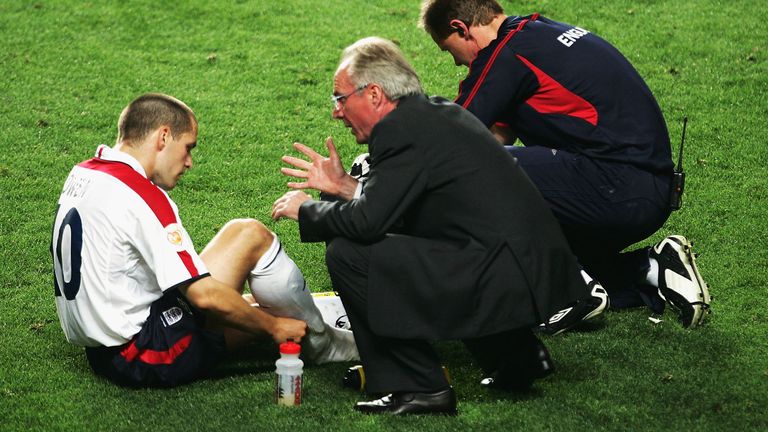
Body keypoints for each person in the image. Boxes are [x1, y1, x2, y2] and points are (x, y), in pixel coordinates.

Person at [272, 37, 601, 415]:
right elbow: (411, 207)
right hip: (530, 270)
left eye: (340, 99)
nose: (337, 113)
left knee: (349, 253)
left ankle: (416, 386)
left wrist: (307, 210)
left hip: (506, 275)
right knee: (437, 241)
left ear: (374, 94)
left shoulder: (400, 132)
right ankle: (517, 357)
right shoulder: (434, 113)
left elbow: (367, 223)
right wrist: (347, 187)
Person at [417, 0, 711, 328]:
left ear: (461, 28)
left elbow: (452, 134)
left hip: (613, 187)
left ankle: (571, 291)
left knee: (479, 171)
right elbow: (497, 132)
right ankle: (653, 267)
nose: (457, 62)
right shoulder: (538, 33)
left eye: (448, 49)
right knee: (521, 276)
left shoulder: (506, 54)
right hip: (645, 192)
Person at [50, 93, 357, 388]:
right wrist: (273, 327)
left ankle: (306, 316)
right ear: (163, 137)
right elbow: (204, 296)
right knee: (255, 252)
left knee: (243, 234)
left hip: (103, 343)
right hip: (144, 353)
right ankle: (323, 345)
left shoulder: (84, 173)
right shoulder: (141, 195)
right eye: (188, 147)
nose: (189, 162)